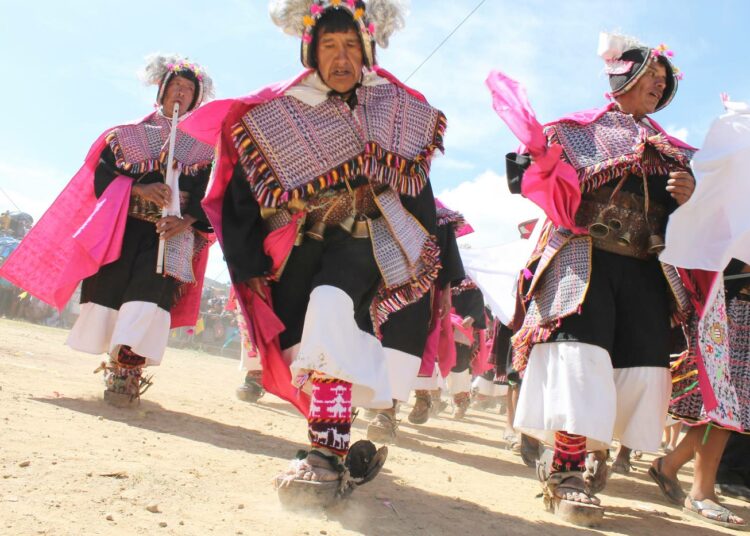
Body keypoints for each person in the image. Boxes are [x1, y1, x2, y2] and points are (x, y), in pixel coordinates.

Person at [184, 0, 446, 507]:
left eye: (351, 45)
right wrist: (250, 265)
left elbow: (419, 193)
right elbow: (242, 196)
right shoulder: (278, 115)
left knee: (332, 303)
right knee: (303, 339)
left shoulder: (397, 109)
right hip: (301, 242)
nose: (342, 56)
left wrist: (420, 249)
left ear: (367, 49)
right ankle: (340, 443)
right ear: (311, 51)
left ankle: (323, 455)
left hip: (370, 238)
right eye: (329, 45)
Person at [487, 33, 696, 526]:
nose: (658, 85)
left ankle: (592, 452)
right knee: (581, 360)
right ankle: (566, 473)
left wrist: (690, 194)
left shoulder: (675, 153)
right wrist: (551, 162)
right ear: (623, 77)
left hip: (646, 269)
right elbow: (525, 174)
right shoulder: (575, 131)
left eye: (663, 82)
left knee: (637, 368)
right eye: (651, 75)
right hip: (585, 262)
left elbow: (689, 222)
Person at [0, 55, 215, 406]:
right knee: (113, 296)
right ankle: (115, 364)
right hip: (124, 229)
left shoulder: (205, 150)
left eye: (189, 89)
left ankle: (128, 372)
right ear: (161, 91)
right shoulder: (126, 135)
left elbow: (214, 195)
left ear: (196, 99)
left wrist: (186, 220)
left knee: (148, 298)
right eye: (176, 85)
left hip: (170, 236)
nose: (181, 92)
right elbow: (103, 178)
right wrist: (140, 189)